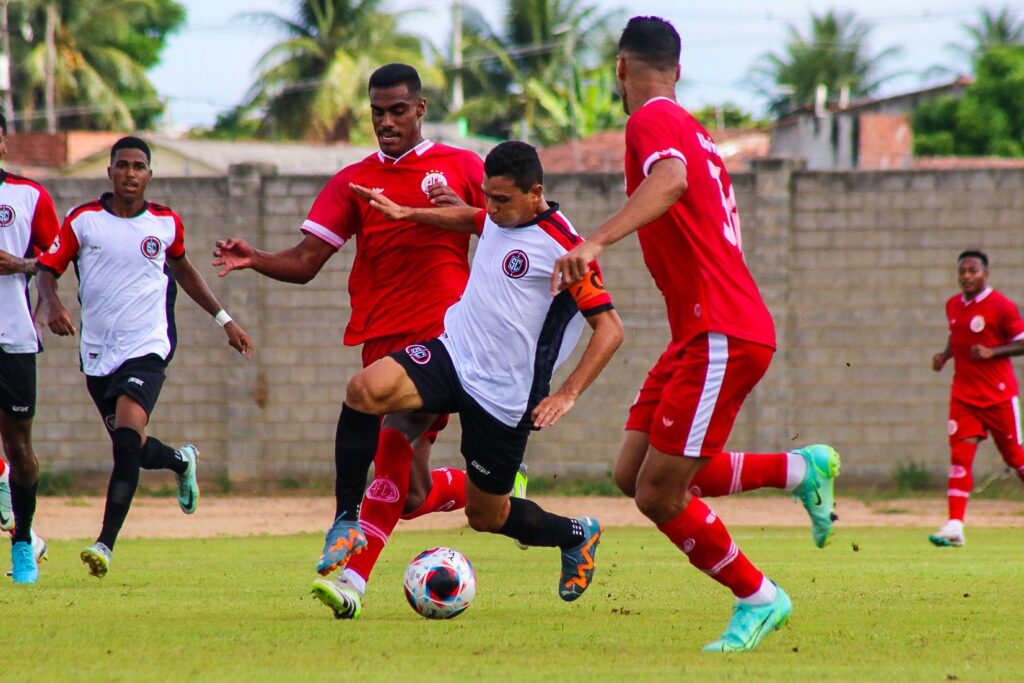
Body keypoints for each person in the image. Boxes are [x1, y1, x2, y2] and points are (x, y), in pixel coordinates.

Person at [551, 16, 840, 653]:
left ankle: (758, 596)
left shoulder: (651, 119)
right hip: (702, 334)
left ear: (620, 68)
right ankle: (799, 469)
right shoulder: (696, 130)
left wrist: (594, 239)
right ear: (677, 70)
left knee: (660, 493)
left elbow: (671, 180)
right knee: (634, 474)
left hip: (722, 331)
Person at [212, 64, 495, 613]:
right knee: (409, 495)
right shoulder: (353, 181)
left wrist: (464, 216)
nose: (385, 122)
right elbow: (305, 262)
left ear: (420, 108)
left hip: (442, 339)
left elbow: (510, 224)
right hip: (380, 341)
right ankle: (488, 487)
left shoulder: (462, 167)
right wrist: (256, 258)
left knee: (387, 439)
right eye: (376, 113)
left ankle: (351, 574)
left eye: (396, 111)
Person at [308, 140, 623, 618]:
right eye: (486, 196)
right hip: (452, 353)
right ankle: (346, 519)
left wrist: (568, 393)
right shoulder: (496, 216)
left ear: (535, 192)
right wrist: (404, 212)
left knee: (487, 516)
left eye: (501, 200)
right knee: (364, 391)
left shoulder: (565, 247)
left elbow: (610, 328)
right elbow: (471, 219)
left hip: (505, 395)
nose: (490, 209)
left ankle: (576, 534)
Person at [34, 136, 254, 578]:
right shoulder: (84, 221)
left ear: (149, 175)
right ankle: (179, 460)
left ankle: (105, 545)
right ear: (110, 172)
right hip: (98, 354)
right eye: (123, 165)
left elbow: (186, 271)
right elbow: (46, 268)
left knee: (127, 444)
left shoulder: (166, 223)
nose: (130, 173)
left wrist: (225, 320)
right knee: (129, 447)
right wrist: (53, 304)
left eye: (139, 166)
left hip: (147, 348)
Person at [930, 250, 1024, 547]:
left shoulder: (1001, 306)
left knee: (1015, 459)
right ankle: (955, 525)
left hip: (998, 396)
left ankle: (956, 524)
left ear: (985, 274)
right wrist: (945, 355)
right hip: (964, 397)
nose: (966, 276)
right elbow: (956, 334)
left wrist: (992, 352)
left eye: (972, 271)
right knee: (960, 458)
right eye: (962, 271)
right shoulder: (953, 305)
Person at [0, 113, 58, 582]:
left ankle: (23, 541)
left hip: (14, 337)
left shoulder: (28, 195)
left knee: (19, 446)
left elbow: (55, 260)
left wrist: (20, 264)